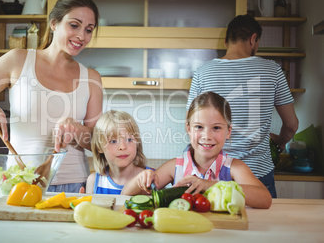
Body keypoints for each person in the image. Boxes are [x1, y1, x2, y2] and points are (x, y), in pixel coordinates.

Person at [0, 0, 103, 193]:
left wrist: (76, 129)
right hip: (20, 181)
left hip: (75, 185)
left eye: (89, 29)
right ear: (54, 23)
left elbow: (97, 143)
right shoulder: (18, 60)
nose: (82, 36)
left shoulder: (92, 78)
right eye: (74, 25)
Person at [186, 15, 298, 198]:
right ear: (254, 39)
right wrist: (279, 142)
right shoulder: (273, 70)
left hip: (213, 174)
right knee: (265, 225)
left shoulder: (202, 72)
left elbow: (192, 126)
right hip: (257, 174)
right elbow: (292, 125)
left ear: (225, 41)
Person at [122, 92, 272, 209]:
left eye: (216, 128)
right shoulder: (176, 166)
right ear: (188, 128)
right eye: (199, 127)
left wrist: (209, 185)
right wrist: (140, 178)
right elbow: (126, 194)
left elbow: (265, 199)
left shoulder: (234, 167)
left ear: (228, 132)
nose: (207, 136)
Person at [86, 110, 153, 194]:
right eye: (113, 141)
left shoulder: (150, 177)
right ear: (99, 147)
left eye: (129, 139)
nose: (122, 147)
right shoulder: (93, 181)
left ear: (137, 143)